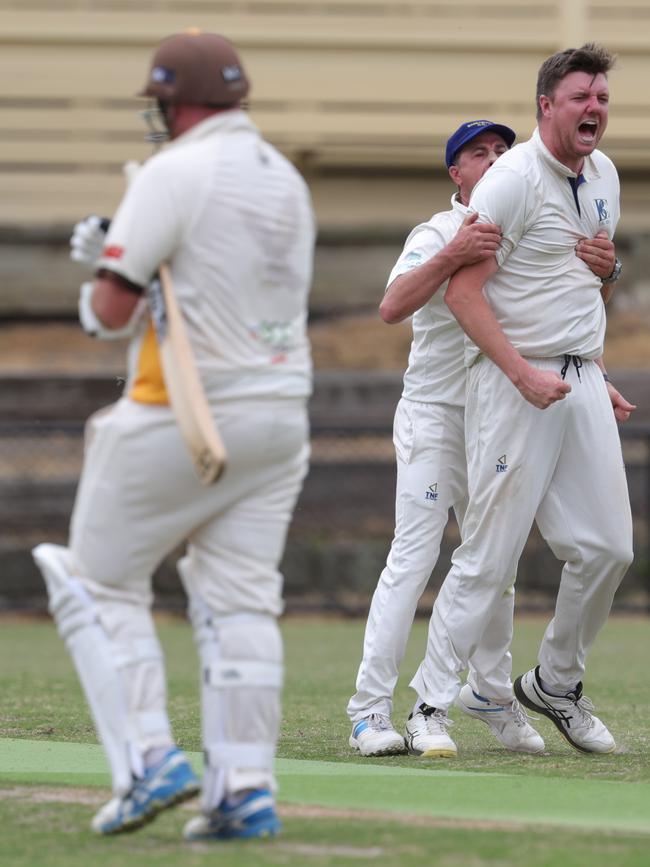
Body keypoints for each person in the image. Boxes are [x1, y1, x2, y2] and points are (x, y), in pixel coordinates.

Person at [33, 30, 315, 841]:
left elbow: (106, 313)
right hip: (281, 411)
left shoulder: (174, 169)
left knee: (92, 579)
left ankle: (148, 758)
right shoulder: (285, 178)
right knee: (240, 600)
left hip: (182, 410)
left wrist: (104, 259)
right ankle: (244, 788)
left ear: (174, 102)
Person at [347, 118, 616, 759]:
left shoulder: (519, 217)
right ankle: (369, 710)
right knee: (414, 559)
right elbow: (391, 307)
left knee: (494, 562)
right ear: (455, 174)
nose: (494, 160)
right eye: (477, 154)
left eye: (501, 150)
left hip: (498, 409)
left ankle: (492, 693)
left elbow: (557, 311)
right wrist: (452, 255)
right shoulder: (440, 231)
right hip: (437, 413)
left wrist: (607, 283)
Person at [409, 43, 634, 757]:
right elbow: (463, 294)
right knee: (491, 551)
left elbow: (580, 283)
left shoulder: (604, 176)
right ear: (547, 106)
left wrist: (611, 276)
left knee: (608, 548)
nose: (593, 108)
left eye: (600, 97)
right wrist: (523, 375)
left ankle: (555, 683)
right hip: (516, 382)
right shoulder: (511, 179)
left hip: (582, 377)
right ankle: (428, 704)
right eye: (579, 97)